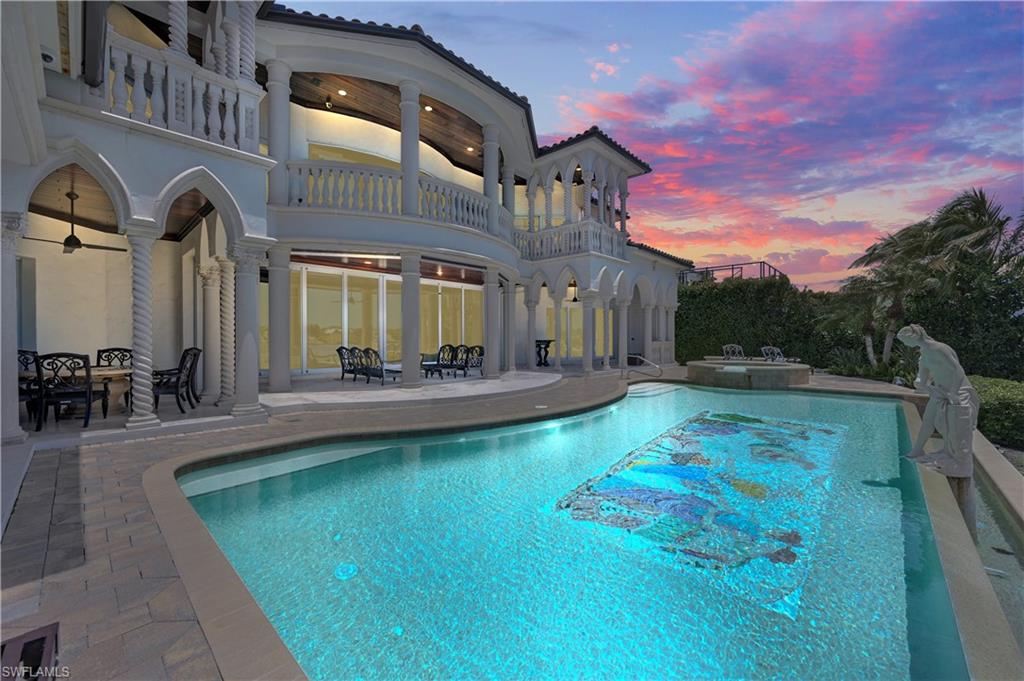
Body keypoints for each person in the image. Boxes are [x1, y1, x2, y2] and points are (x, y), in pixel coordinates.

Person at [897, 324, 979, 479]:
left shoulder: (939, 349)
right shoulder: (924, 355)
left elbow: (958, 370)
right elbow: (922, 379)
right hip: (941, 391)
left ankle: (960, 462)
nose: (905, 344)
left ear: (913, 337)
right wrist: (926, 387)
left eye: (904, 340)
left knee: (955, 425)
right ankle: (918, 450)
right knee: (928, 420)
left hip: (958, 391)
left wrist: (954, 393)